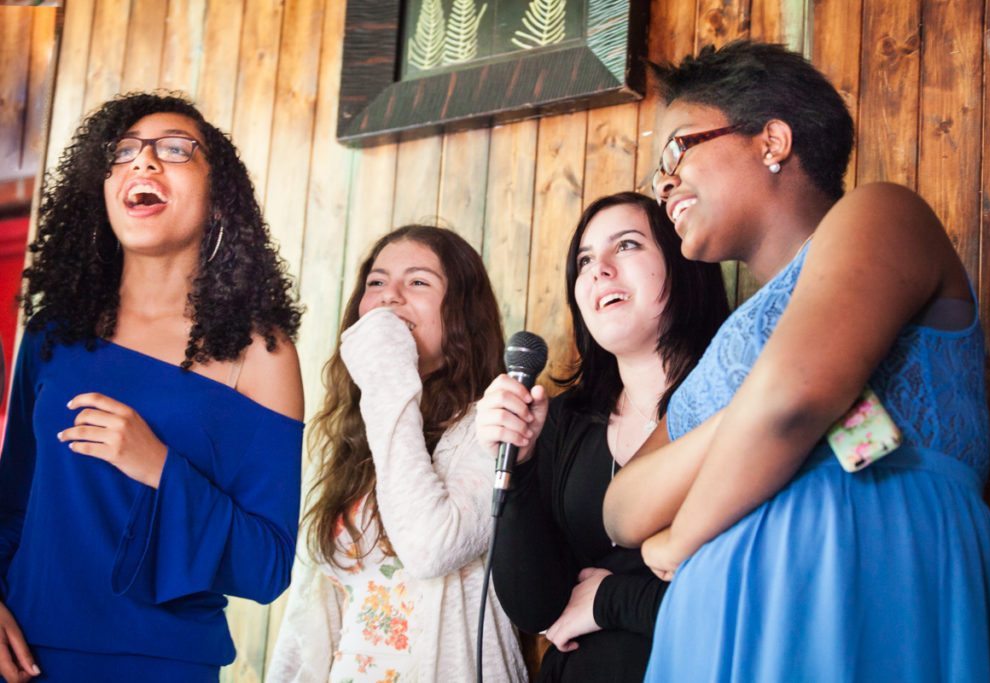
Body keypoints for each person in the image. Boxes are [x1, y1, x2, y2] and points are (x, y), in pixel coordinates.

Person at [604, 41, 990, 682]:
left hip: (864, 570)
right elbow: (624, 508)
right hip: (723, 623)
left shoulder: (881, 212)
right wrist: (759, 414)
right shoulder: (726, 345)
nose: (663, 181)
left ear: (771, 141)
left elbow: (793, 398)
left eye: (677, 149)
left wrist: (682, 535)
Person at [0, 93, 304, 683]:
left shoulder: (260, 354)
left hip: (164, 665)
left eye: (174, 150)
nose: (144, 163)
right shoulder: (53, 335)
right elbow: (10, 508)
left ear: (218, 199)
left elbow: (268, 566)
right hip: (25, 659)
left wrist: (159, 465)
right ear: (103, 191)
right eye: (125, 153)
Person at [476, 192, 729, 682]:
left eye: (627, 246)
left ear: (685, 263)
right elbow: (535, 609)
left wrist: (613, 600)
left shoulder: (735, 396)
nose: (599, 270)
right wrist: (520, 467)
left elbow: (761, 601)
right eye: (584, 260)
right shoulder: (564, 420)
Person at [268, 225, 527, 683]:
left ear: (463, 313)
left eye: (418, 282)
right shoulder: (345, 439)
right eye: (376, 282)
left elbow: (431, 548)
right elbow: (311, 613)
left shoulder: (495, 423)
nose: (390, 297)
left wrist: (389, 373)